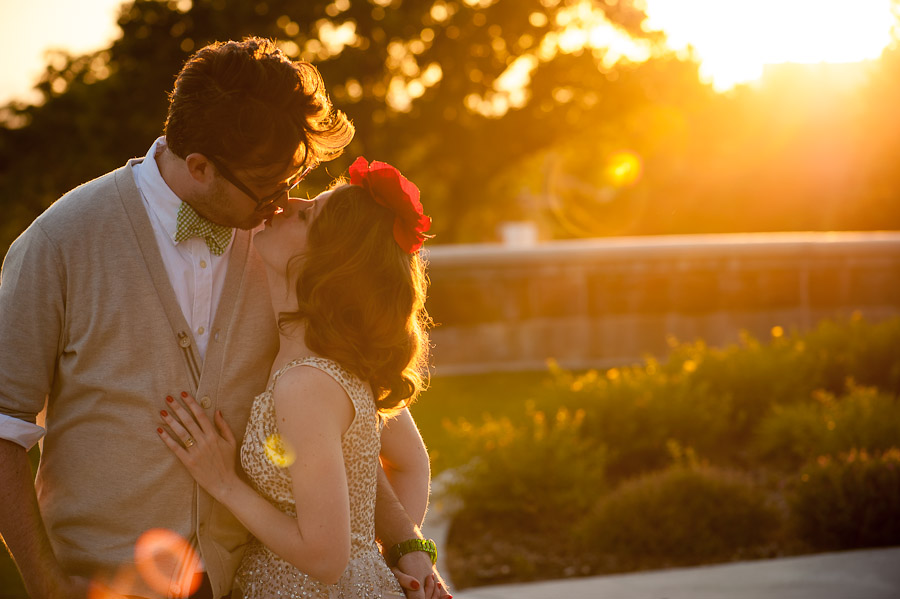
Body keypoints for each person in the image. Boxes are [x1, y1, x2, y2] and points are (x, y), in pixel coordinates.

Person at [0, 38, 444, 599]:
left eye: (293, 181)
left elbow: (338, 439)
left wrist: (405, 544)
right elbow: (3, 430)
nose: (284, 203)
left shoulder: (287, 263)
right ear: (201, 167)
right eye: (269, 188)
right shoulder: (58, 243)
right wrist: (45, 584)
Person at [157, 157, 442, 598]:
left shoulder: (304, 385)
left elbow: (326, 559)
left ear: (326, 266)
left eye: (307, 214)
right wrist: (377, 561)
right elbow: (411, 461)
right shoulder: (337, 360)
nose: (286, 204)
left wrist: (223, 482)